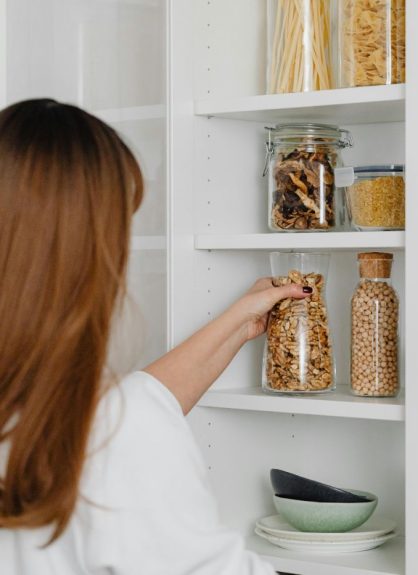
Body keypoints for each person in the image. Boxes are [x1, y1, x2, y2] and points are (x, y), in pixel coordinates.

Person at [0, 99, 312, 575]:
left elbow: (127, 404)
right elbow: (118, 422)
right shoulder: (119, 433)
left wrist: (237, 323)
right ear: (89, 248)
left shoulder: (68, 411)